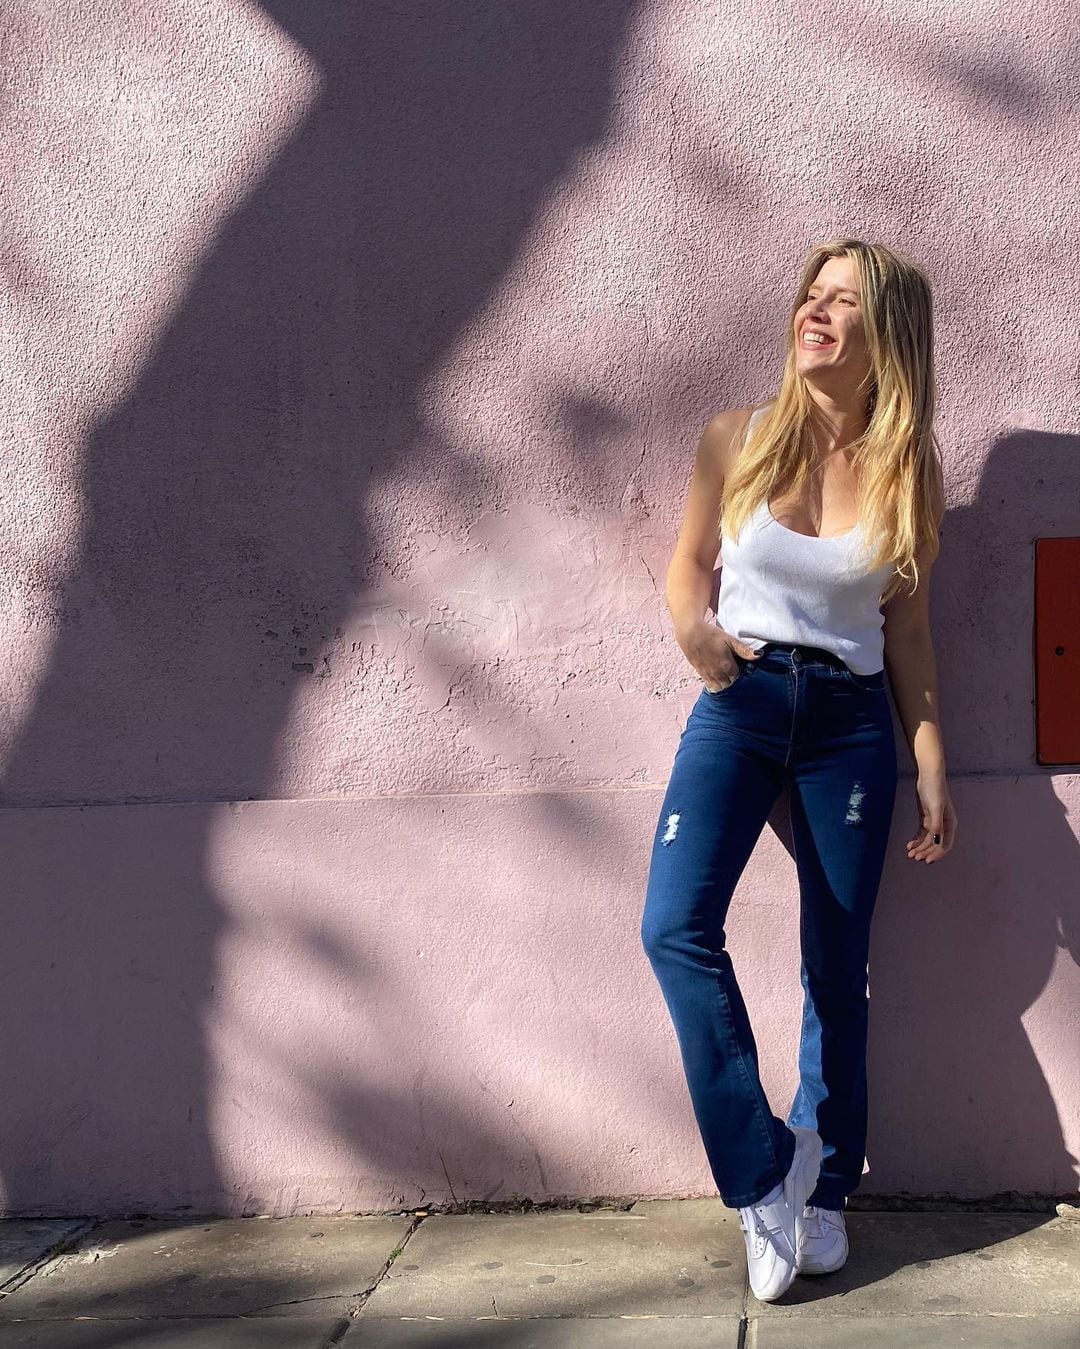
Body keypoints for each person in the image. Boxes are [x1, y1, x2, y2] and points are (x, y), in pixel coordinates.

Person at [639, 238, 956, 1303]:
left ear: (887, 338)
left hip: (852, 722)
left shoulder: (912, 470)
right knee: (674, 926)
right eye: (811, 295)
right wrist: (695, 632)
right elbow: (688, 566)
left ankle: (827, 1194)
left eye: (844, 302)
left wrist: (931, 762)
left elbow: (907, 635)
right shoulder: (735, 438)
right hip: (745, 695)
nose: (816, 313)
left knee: (838, 958)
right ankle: (765, 1169)